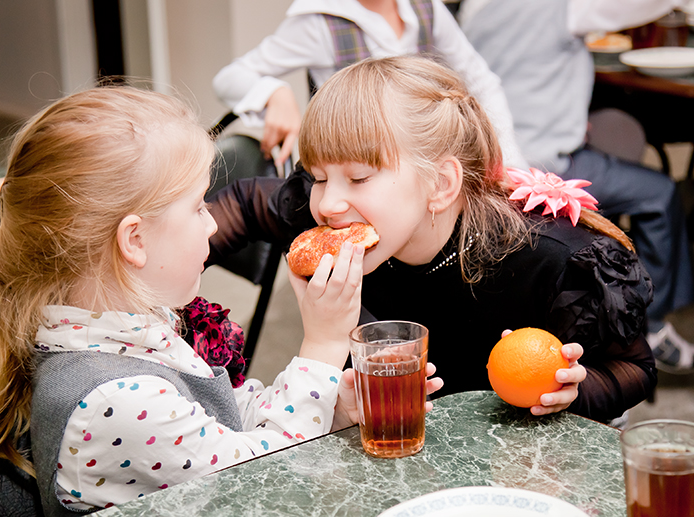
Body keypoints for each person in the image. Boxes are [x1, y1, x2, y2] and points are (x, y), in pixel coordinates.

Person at [0, 86, 443, 515]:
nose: (213, 223)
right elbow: (267, 481)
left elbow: (222, 423)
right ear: (134, 240)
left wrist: (330, 404)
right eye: (198, 206)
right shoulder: (114, 402)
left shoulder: (122, 327)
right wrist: (324, 344)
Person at [207, 55, 657, 425]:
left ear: (440, 185)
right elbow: (244, 204)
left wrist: (572, 390)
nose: (327, 203)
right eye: (320, 176)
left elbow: (634, 369)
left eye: (359, 177)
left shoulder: (556, 259)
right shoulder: (331, 214)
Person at [457, 0, 694, 375]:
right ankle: (650, 324)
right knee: (658, 193)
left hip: (491, 154)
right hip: (544, 164)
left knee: (619, 132)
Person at [211, 0, 526, 170]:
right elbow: (230, 77)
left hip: (428, 171)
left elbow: (481, 82)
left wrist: (508, 161)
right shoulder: (317, 23)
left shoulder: (425, 9)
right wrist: (274, 93)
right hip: (360, 180)